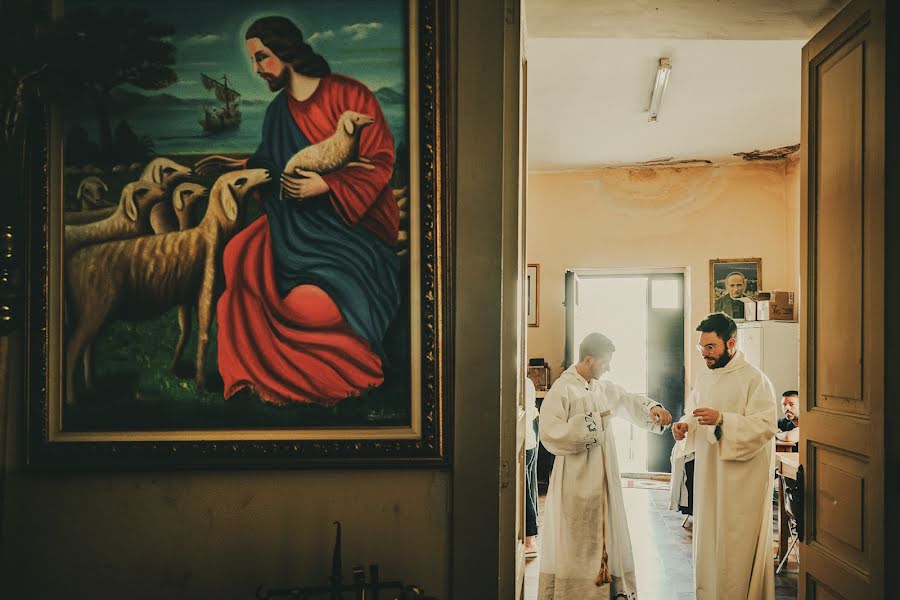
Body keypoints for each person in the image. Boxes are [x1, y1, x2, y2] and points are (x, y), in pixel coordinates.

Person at [195, 16, 401, 406]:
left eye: (261, 58)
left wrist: (327, 184)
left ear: (285, 53)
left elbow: (380, 160)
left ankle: (329, 372)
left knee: (308, 307)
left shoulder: (349, 95)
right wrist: (233, 165)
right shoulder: (277, 113)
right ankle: (258, 374)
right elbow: (271, 165)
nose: (256, 69)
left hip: (349, 224)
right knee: (238, 255)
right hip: (292, 221)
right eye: (254, 60)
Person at [538, 333, 673, 599]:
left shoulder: (598, 387)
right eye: (605, 362)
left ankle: (605, 589)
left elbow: (625, 399)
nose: (608, 367)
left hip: (603, 479)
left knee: (605, 534)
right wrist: (592, 424)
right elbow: (550, 433)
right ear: (588, 360)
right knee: (578, 538)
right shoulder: (563, 390)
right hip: (576, 480)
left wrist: (653, 409)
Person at [672, 313, 778, 599]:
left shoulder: (755, 380)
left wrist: (723, 420)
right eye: (701, 347)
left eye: (711, 347)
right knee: (708, 539)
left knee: (735, 544)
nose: (705, 354)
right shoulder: (705, 377)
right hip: (710, 476)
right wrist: (685, 426)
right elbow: (696, 413)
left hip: (740, 482)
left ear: (730, 343)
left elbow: (767, 425)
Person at [525, 374, 540, 559]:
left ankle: (529, 539)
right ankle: (531, 536)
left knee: (524, 492)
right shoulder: (527, 382)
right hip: (530, 439)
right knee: (528, 488)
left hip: (524, 441)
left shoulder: (520, 382)